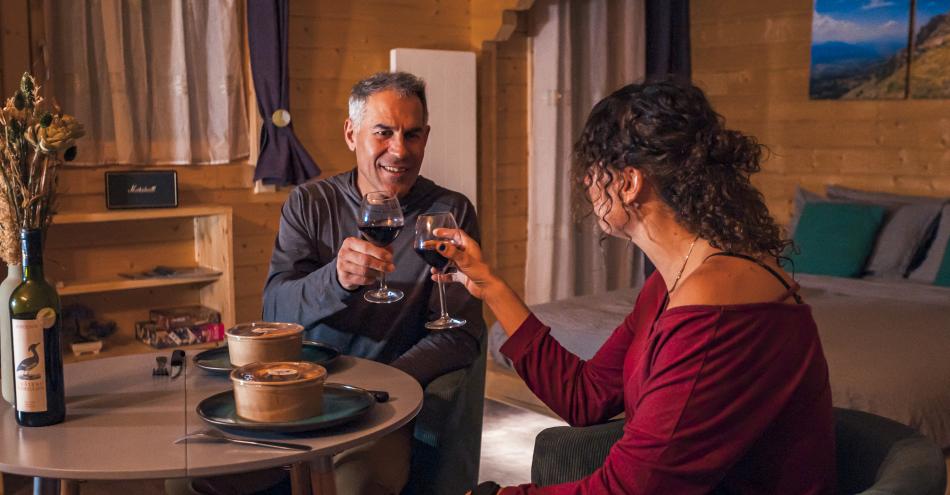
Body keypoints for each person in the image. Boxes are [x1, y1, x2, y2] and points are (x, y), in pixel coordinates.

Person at [443, 79, 835, 494]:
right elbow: (586, 395)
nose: (584, 183)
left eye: (593, 169)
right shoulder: (674, 283)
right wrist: (491, 286)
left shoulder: (715, 304)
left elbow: (631, 491)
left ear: (629, 183)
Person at [169, 72, 484, 495]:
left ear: (426, 137)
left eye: (412, 135)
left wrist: (382, 387)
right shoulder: (310, 203)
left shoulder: (448, 213)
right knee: (189, 477)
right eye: (384, 132)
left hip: (383, 407)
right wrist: (335, 279)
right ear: (351, 134)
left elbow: (458, 335)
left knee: (350, 485)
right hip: (298, 395)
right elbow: (274, 311)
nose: (400, 150)